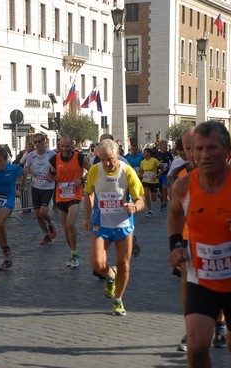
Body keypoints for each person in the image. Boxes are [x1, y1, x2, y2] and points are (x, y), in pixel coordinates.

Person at [167, 121, 231, 368]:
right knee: (197, 345)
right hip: (202, 278)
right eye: (198, 148)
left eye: (211, 148)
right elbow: (174, 213)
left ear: (227, 152)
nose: (204, 154)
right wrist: (176, 244)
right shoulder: (184, 186)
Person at [83, 138, 144, 316]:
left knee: (124, 265)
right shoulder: (95, 171)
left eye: (110, 159)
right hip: (101, 224)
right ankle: (110, 275)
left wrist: (135, 207)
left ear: (117, 154)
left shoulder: (128, 172)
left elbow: (141, 199)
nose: (107, 163)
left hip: (123, 225)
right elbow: (88, 194)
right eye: (103, 160)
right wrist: (87, 217)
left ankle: (118, 299)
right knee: (96, 264)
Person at [47, 134, 90, 268]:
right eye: (62, 146)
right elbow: (52, 174)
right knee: (65, 228)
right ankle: (73, 253)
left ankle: (75, 254)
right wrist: (49, 177)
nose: (64, 149)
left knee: (70, 224)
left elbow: (93, 170)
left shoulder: (80, 157)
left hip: (75, 196)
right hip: (60, 196)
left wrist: (82, 180)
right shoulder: (55, 158)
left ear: (72, 146)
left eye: (67, 146)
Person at [22, 133, 57, 245]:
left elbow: (58, 170)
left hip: (48, 186)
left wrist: (53, 177)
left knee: (43, 212)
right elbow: (28, 169)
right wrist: (27, 177)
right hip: (35, 186)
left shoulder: (51, 154)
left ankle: (51, 223)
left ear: (44, 142)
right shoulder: (31, 155)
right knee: (37, 215)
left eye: (39, 142)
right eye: (35, 142)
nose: (37, 144)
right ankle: (47, 235)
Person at [139, 146, 160, 218]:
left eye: (144, 152)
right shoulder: (142, 162)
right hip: (145, 181)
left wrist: (157, 175)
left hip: (154, 181)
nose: (143, 154)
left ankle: (157, 193)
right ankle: (149, 210)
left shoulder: (154, 160)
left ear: (149, 153)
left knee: (154, 199)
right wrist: (140, 174)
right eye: (143, 152)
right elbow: (141, 171)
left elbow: (163, 169)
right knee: (146, 195)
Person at [155, 139, 174, 212]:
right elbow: (155, 164)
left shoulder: (169, 154)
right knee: (160, 191)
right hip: (159, 174)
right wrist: (159, 163)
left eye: (167, 145)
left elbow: (172, 162)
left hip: (166, 173)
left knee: (164, 189)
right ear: (160, 146)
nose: (166, 146)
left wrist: (170, 167)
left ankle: (165, 203)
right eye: (164, 145)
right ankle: (162, 203)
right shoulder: (157, 154)